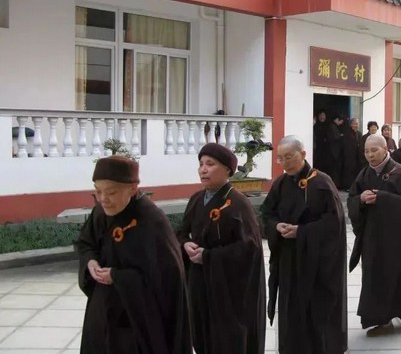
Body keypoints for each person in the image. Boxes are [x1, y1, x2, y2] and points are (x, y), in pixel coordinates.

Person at [75, 156, 192, 354]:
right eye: (97, 191)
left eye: (111, 192)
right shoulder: (101, 213)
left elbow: (165, 281)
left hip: (137, 323)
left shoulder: (151, 221)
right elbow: (86, 243)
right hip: (101, 312)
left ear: (132, 188)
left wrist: (118, 276)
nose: (103, 199)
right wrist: (90, 261)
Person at [261, 136, 347, 354]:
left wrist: (302, 232)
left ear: (303, 154)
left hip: (317, 263)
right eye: (280, 158)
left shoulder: (322, 183)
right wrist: (277, 226)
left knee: (316, 310)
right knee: (291, 310)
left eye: (289, 157)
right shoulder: (280, 184)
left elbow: (334, 224)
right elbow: (267, 214)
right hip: (290, 260)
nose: (284, 163)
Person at [177, 143, 266, 354]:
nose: (203, 169)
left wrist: (209, 256)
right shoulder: (197, 199)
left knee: (226, 340)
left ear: (227, 169)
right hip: (200, 281)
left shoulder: (237, 203)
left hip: (228, 288)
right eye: (200, 164)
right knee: (201, 334)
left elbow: (249, 248)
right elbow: (181, 232)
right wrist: (184, 244)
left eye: (210, 164)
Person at [347, 134, 401, 336]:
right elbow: (351, 199)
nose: (370, 155)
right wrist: (361, 199)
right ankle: (383, 321)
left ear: (386, 149)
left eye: (374, 150)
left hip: (399, 240)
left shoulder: (400, 172)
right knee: (376, 278)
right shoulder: (365, 174)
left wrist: (382, 198)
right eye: (366, 151)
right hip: (374, 239)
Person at [341, 117, 362, 190]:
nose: (356, 125)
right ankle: (347, 186)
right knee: (348, 171)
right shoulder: (347, 133)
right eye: (355, 124)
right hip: (348, 155)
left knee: (355, 171)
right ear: (351, 124)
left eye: (357, 124)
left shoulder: (359, 133)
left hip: (357, 155)